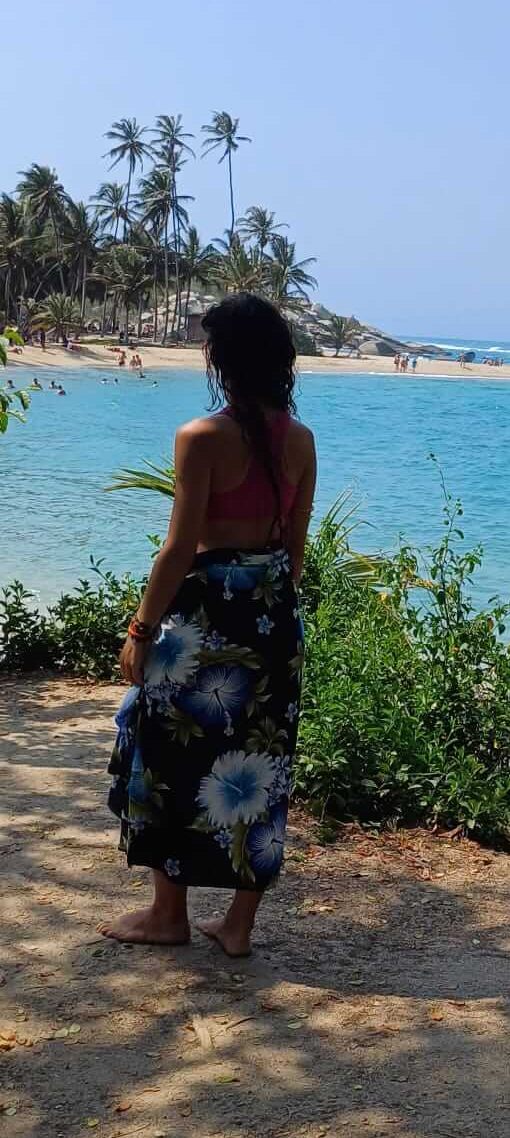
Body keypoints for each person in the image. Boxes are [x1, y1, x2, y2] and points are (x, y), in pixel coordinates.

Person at [104, 294, 317, 957]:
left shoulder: (201, 437)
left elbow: (178, 549)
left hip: (205, 618)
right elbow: (295, 555)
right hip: (273, 618)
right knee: (263, 764)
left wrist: (140, 630)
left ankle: (168, 915)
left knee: (167, 751)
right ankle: (238, 927)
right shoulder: (301, 441)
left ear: (218, 359)